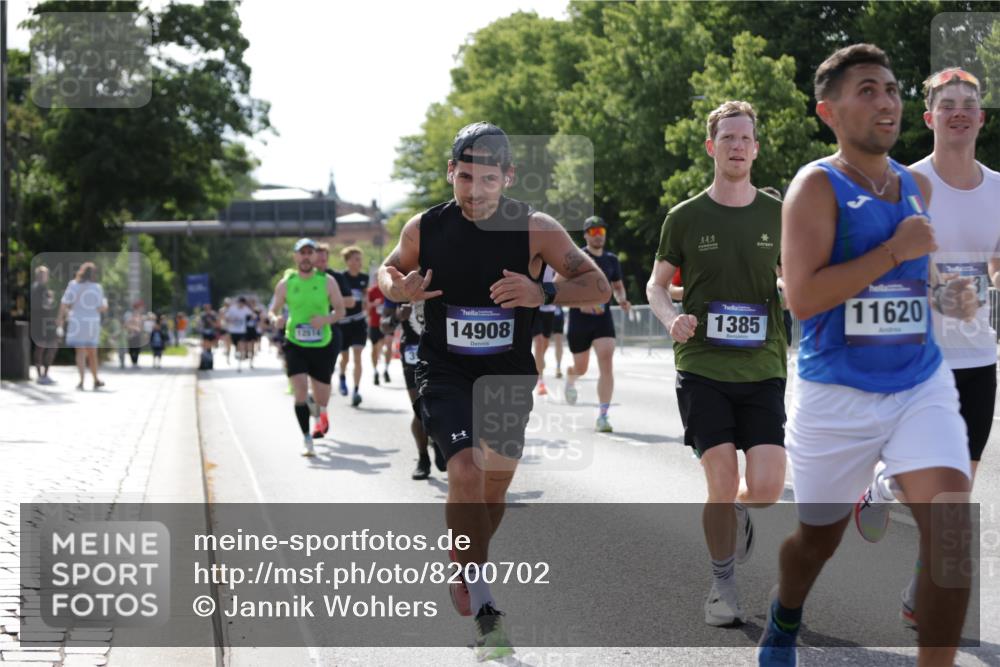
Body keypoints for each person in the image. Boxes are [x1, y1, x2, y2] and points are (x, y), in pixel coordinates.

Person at [759, 44, 977, 667]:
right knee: (815, 542)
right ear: (829, 111)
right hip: (836, 395)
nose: (886, 102)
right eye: (868, 91)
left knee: (951, 531)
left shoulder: (915, 184)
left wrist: (947, 292)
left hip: (918, 383)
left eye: (890, 89)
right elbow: (802, 300)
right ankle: (786, 615)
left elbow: (915, 278)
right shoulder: (815, 187)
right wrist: (891, 251)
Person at [377, 122, 607, 660]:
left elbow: (595, 285)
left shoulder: (534, 228)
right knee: (464, 471)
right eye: (464, 177)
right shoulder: (425, 228)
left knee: (494, 490)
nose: (474, 191)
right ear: (450, 174)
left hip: (507, 375)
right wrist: (398, 289)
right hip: (445, 369)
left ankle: (465, 561)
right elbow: (388, 270)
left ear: (507, 177)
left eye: (486, 179)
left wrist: (542, 289)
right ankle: (485, 609)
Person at [853, 66, 1000, 628]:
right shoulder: (903, 185)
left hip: (977, 358)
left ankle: (919, 592)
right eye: (949, 103)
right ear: (930, 117)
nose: (960, 111)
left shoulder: (996, 190)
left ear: (981, 118)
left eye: (970, 103)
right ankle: (883, 487)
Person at [647, 100, 786, 629]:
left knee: (768, 488)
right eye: (727, 137)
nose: (736, 145)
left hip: (764, 366)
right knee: (721, 482)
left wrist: (796, 290)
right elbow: (657, 286)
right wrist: (670, 319)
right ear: (712, 146)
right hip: (702, 364)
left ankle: (739, 513)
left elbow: (792, 277)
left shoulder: (778, 214)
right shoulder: (684, 217)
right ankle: (722, 584)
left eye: (744, 138)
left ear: (755, 147)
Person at [269, 238, 346, 456]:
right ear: (295, 257)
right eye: (301, 253)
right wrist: (275, 319)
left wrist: (325, 320)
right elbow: (273, 309)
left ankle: (321, 412)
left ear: (314, 257)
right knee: (300, 390)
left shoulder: (327, 281)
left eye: (309, 253)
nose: (305, 257)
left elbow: (340, 311)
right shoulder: (286, 283)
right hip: (295, 343)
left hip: (322, 344)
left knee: (322, 396)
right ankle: (306, 438)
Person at [563, 215, 631, 432]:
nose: (598, 235)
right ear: (585, 235)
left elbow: (618, 286)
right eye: (593, 232)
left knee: (606, 358)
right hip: (579, 319)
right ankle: (571, 376)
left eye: (601, 231)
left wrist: (622, 300)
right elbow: (561, 285)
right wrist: (580, 303)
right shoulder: (577, 257)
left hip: (603, 318)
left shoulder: (611, 260)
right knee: (581, 368)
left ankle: (603, 415)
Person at [383, 299, 445, 479]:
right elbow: (384, 327)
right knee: (420, 408)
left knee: (443, 405)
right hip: (412, 353)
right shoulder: (398, 288)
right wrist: (396, 317)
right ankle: (423, 458)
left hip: (440, 352)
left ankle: (439, 442)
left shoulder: (438, 280)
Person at [312, 242, 354, 437]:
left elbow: (350, 301)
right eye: (317, 257)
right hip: (305, 334)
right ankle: (317, 419)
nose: (321, 261)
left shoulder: (334, 277)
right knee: (310, 379)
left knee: (323, 376)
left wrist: (328, 298)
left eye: (324, 258)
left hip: (331, 330)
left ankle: (322, 413)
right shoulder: (302, 278)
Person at [56, 261, 108, 390]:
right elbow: (102, 307)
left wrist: (60, 319)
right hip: (91, 322)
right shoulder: (97, 287)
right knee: (92, 353)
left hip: (77, 321)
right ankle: (95, 379)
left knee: (80, 352)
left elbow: (64, 303)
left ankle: (81, 381)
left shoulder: (73, 285)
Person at [336, 246, 370, 406]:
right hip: (343, 323)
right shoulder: (340, 278)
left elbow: (365, 298)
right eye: (356, 259)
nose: (359, 262)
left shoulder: (364, 277)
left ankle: (356, 390)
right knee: (345, 358)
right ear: (348, 261)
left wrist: (367, 303)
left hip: (358, 321)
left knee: (357, 356)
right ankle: (342, 377)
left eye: (360, 259)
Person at [530, 265, 560, 395]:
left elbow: (562, 272)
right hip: (533, 304)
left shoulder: (554, 252)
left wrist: (554, 286)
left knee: (545, 344)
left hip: (549, 306)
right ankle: (540, 381)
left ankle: (539, 361)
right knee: (539, 342)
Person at [30, 265, 59, 384]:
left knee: (46, 346)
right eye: (42, 274)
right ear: (38, 276)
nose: (44, 277)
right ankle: (41, 375)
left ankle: (43, 375)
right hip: (41, 322)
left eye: (45, 274)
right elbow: (44, 305)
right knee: (44, 346)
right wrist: (50, 298)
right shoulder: (39, 288)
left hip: (45, 321)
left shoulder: (39, 287)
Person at [367, 282, 392, 385]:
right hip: (375, 324)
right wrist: (374, 304)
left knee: (389, 345)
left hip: (388, 323)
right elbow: (366, 306)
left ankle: (386, 369)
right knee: (375, 349)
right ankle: (375, 371)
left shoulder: (390, 289)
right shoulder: (372, 291)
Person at [224, 296, 254, 372]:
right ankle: (233, 356)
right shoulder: (232, 309)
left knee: (241, 347)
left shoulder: (246, 309)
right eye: (240, 303)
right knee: (235, 347)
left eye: (243, 304)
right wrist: (232, 320)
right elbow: (226, 318)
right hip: (233, 331)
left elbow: (253, 316)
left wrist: (249, 319)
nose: (241, 305)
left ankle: (239, 365)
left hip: (242, 331)